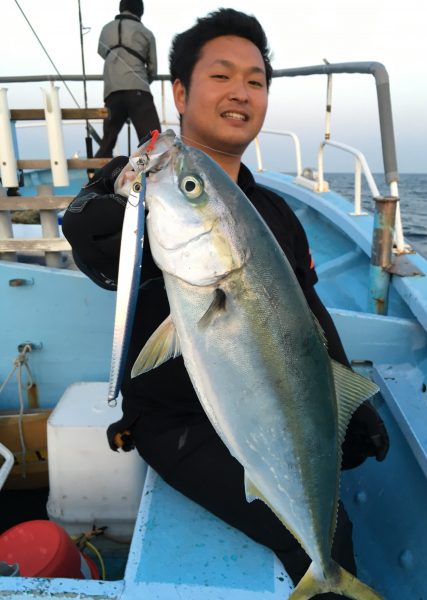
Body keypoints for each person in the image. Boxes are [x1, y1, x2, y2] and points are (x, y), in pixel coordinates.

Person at [62, 8, 389, 596]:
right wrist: (106, 211)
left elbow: (308, 313)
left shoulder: (278, 215)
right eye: (221, 76)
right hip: (176, 420)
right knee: (320, 539)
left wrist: (349, 404)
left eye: (256, 81)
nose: (241, 92)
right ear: (180, 92)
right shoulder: (150, 180)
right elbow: (91, 227)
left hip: (261, 403)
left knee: (329, 482)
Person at [95, 0, 161, 158]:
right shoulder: (146, 33)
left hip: (112, 92)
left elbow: (102, 52)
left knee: (108, 141)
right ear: (140, 12)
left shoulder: (106, 29)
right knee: (154, 140)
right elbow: (153, 69)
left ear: (121, 8)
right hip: (139, 90)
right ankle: (152, 177)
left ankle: (97, 176)